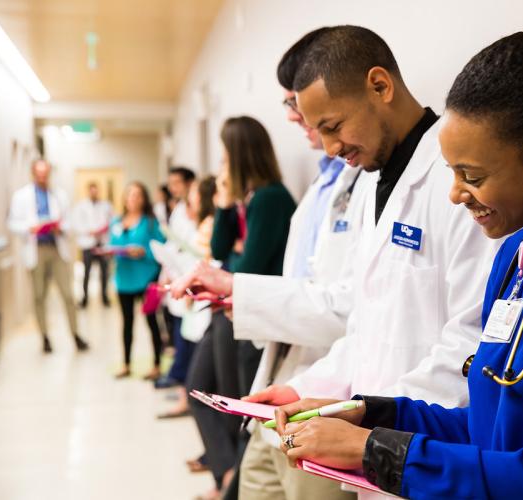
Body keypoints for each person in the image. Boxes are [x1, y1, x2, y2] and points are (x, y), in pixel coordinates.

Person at [273, 20, 523, 500]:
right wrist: (374, 414)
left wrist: (376, 450)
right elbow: (490, 428)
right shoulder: (516, 259)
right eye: (451, 171)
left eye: (473, 175)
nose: (454, 194)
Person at [173, 31, 367, 500]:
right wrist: (222, 205)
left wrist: (235, 285)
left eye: (294, 101)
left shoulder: (290, 195)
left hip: (323, 375)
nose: (291, 114)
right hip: (288, 359)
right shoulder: (323, 187)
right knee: (252, 475)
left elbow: (341, 303)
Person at [182, 116, 296, 499]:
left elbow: (245, 268)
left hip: (256, 321)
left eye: (226, 156)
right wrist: (225, 203)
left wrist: (235, 254)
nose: (221, 165)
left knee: (239, 403)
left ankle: (229, 483)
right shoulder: (247, 199)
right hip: (233, 313)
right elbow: (220, 251)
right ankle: (227, 473)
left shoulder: (270, 198)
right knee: (201, 388)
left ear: (241, 154)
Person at [7, 159, 89, 353]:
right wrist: (30, 228)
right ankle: (44, 337)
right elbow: (12, 223)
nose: (42, 177)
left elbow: (70, 222)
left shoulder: (59, 195)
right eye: (39, 173)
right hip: (36, 249)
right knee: (39, 296)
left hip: (56, 247)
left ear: (49, 173)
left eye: (45, 173)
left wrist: (61, 228)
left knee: (68, 295)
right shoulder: (21, 196)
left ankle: (75, 335)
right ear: (33, 173)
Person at [109, 182, 165, 379]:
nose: (133, 199)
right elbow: (112, 245)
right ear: (124, 198)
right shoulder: (116, 222)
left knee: (151, 321)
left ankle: (157, 365)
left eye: (138, 195)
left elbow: (162, 247)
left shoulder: (150, 222)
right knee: (126, 322)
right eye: (130, 195)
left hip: (146, 277)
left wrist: (144, 252)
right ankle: (126, 364)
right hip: (124, 278)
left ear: (144, 199)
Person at [156, 166, 197, 389]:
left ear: (190, 182)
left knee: (187, 330)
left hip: (191, 273)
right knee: (180, 326)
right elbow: (174, 243)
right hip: (178, 272)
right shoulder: (179, 208)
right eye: (170, 183)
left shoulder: (195, 209)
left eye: (176, 183)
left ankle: (181, 377)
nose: (172, 188)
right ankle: (180, 377)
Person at [72, 181, 113, 307]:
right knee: (87, 273)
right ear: (88, 191)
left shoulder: (106, 205)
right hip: (88, 243)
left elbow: (112, 222)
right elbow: (77, 224)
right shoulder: (81, 206)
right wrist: (90, 231)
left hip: (102, 243)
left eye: (96, 190)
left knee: (104, 273)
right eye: (92, 190)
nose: (94, 193)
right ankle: (84, 298)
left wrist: (102, 230)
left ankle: (105, 297)